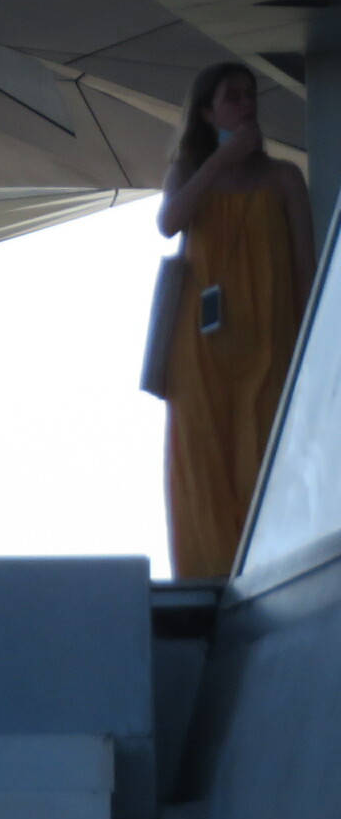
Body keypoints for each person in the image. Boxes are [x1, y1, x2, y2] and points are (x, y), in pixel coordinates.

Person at [157, 60, 313, 579]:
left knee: (264, 459)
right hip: (200, 348)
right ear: (207, 112)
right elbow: (169, 222)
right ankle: (210, 580)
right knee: (205, 463)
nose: (246, 106)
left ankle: (268, 572)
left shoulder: (284, 177)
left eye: (251, 95)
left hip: (270, 340)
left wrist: (313, 351)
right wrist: (220, 160)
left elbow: (306, 266)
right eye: (233, 97)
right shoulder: (189, 172)